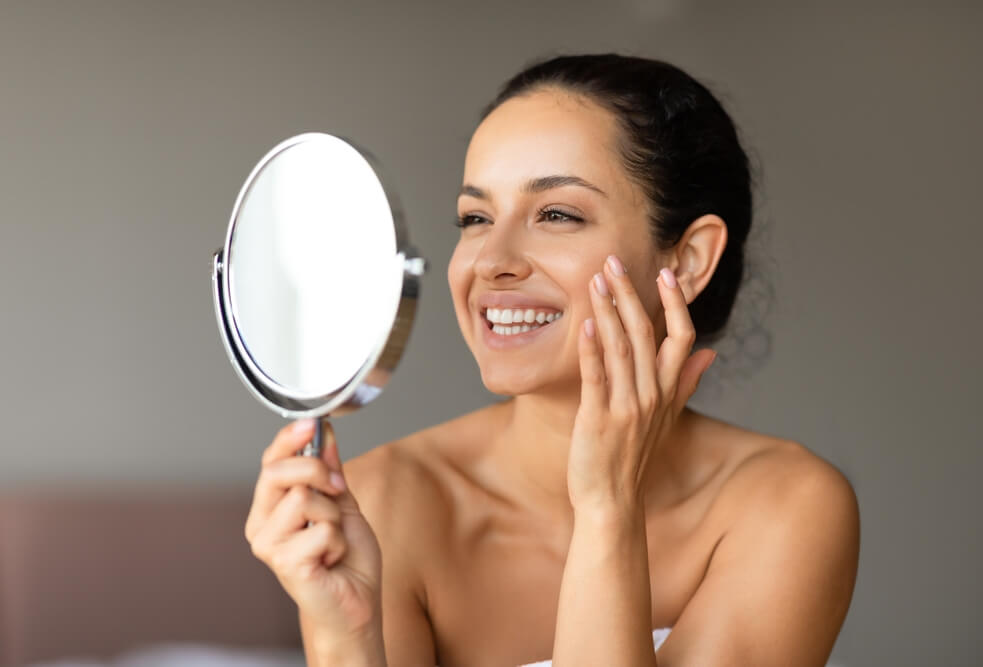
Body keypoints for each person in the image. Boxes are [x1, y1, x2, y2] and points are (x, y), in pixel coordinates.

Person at [244, 53, 860, 667]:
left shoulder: (786, 507)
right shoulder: (385, 504)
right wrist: (346, 636)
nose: (491, 261)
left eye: (557, 214)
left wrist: (607, 511)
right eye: (475, 218)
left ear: (688, 259)